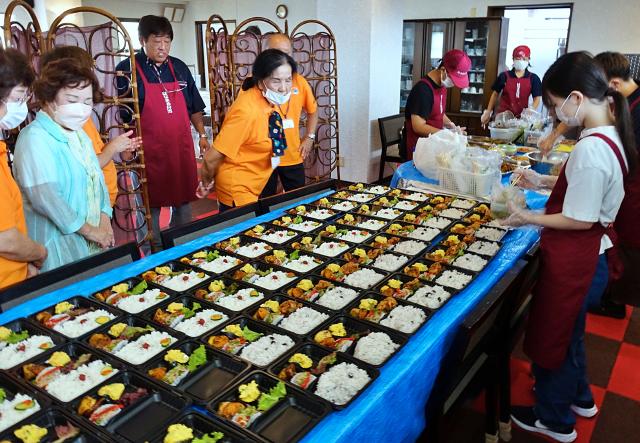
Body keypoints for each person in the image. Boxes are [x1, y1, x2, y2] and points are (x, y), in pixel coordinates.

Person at [502, 52, 637, 443]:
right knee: (572, 333)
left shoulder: (592, 148)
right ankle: (579, 397)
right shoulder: (608, 133)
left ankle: (554, 419)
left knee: (554, 338)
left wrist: (526, 216)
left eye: (554, 104)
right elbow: (586, 189)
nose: (555, 113)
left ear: (576, 98)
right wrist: (542, 182)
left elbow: (579, 218)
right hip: (594, 256)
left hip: (580, 259)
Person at [116, 15, 210, 250]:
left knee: (183, 202)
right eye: (157, 41)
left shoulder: (179, 68)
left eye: (167, 41)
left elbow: (194, 106)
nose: (163, 47)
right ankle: (153, 252)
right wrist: (125, 148)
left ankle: (182, 246)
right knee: (150, 206)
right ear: (142, 40)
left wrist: (202, 135)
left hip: (180, 148)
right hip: (147, 151)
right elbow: (119, 115)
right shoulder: (126, 69)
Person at [12, 59, 114, 272]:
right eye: (72, 99)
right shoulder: (34, 138)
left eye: (87, 101)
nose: (81, 108)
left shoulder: (79, 134)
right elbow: (47, 199)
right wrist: (90, 231)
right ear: (49, 98)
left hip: (94, 241)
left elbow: (97, 178)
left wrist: (105, 219)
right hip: (57, 247)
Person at [39, 46, 141, 207]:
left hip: (100, 204)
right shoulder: (52, 130)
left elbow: (92, 154)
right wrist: (113, 147)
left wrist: (118, 145)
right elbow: (86, 166)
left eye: (87, 101)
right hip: (90, 207)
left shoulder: (79, 118)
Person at [200, 49, 298, 211]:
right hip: (238, 190)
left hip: (257, 185)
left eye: (288, 80)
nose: (283, 88)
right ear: (260, 81)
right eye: (276, 81)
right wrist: (206, 182)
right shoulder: (246, 111)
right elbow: (211, 158)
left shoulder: (268, 100)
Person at [589, 51, 640, 317]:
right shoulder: (629, 100)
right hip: (626, 185)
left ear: (615, 84)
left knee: (629, 246)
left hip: (635, 191)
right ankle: (613, 295)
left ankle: (617, 303)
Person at [0, 48, 47, 288]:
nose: (9, 109)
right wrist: (39, 253)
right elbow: (5, 240)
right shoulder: (33, 137)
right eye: (16, 98)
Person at [256, 33, 318, 197]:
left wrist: (310, 137)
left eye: (287, 53)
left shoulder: (299, 81)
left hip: (292, 154)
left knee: (297, 201)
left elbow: (313, 111)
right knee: (264, 203)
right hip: (262, 157)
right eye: (277, 53)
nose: (283, 58)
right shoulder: (253, 83)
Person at [402, 49, 470, 159]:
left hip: (433, 147)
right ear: (443, 70)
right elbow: (418, 126)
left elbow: (438, 112)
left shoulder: (441, 86)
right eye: (453, 80)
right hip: (418, 150)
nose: (453, 84)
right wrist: (446, 135)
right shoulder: (423, 90)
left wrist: (451, 125)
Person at [481, 45, 542, 126]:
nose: (521, 61)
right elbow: (495, 94)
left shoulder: (533, 78)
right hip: (503, 117)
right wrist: (488, 111)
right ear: (513, 59)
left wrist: (530, 111)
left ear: (528, 59)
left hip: (522, 119)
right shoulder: (504, 76)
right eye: (518, 58)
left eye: (524, 59)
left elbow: (537, 98)